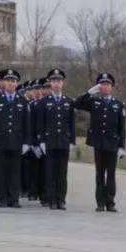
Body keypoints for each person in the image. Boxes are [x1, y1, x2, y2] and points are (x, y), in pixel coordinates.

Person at [75, 72, 126, 212]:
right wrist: (89, 92)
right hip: (98, 143)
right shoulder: (94, 102)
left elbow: (122, 127)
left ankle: (110, 202)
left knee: (111, 174)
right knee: (99, 174)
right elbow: (77, 104)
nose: (104, 87)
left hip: (112, 144)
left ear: (112, 87)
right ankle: (100, 202)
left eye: (107, 84)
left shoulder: (118, 105)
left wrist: (122, 147)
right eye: (102, 84)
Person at [0, 68, 30, 208]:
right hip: (1, 141)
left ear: (17, 84)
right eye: (8, 81)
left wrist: (26, 142)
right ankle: (3, 198)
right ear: (4, 83)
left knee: (15, 172)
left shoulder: (22, 100)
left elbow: (27, 123)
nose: (10, 83)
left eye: (13, 81)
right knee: (2, 171)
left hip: (17, 141)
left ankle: (14, 198)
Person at [35, 68, 75, 210]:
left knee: (62, 173)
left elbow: (71, 123)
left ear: (62, 83)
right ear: (50, 83)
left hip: (63, 141)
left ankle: (61, 199)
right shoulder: (44, 102)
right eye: (54, 81)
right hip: (50, 142)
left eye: (59, 81)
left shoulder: (68, 102)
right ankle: (51, 199)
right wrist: (41, 141)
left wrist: (72, 141)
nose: (56, 84)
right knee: (50, 172)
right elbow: (40, 123)